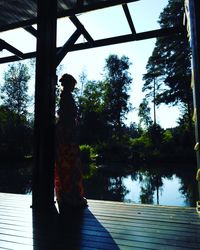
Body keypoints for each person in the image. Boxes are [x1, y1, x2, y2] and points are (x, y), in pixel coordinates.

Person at [54, 73, 87, 211]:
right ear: (68, 84)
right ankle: (70, 197)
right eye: (73, 84)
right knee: (70, 166)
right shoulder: (66, 98)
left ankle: (67, 196)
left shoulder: (65, 97)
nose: (74, 87)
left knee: (68, 166)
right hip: (67, 138)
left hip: (67, 137)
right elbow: (66, 116)